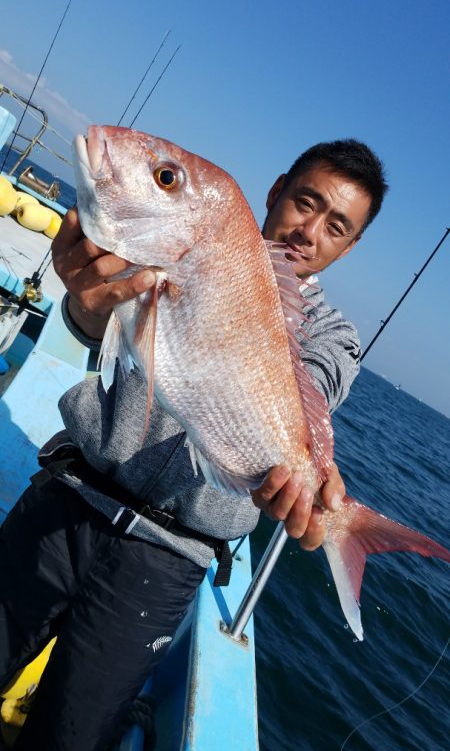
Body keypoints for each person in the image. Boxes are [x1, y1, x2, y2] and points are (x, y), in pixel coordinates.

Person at [0, 138, 387, 751]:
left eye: (335, 226)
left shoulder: (336, 336)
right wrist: (83, 300)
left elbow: (314, 381)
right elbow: (97, 325)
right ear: (276, 190)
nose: (309, 231)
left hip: (165, 562)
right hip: (70, 497)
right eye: (304, 202)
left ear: (350, 244)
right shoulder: (173, 239)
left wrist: (307, 482)